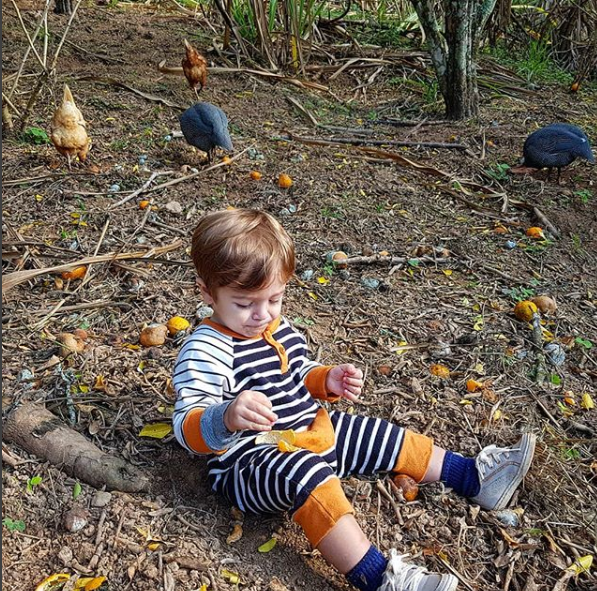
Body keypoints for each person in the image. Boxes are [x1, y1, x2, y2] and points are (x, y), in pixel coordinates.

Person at [172, 208, 536, 591]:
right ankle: (379, 577)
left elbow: (300, 370)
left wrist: (325, 378)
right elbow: (186, 426)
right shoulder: (207, 349)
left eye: (275, 299)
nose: (262, 315)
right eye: (245, 304)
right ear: (206, 292)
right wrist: (226, 416)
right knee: (305, 475)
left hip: (311, 430)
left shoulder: (276, 326)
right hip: (252, 463)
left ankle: (474, 477)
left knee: (379, 434)